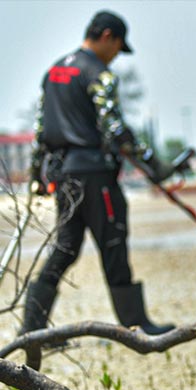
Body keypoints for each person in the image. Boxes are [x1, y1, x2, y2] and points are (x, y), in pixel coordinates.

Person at [21, 10, 175, 337]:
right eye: (118, 47)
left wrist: (37, 175)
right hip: (95, 176)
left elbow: (40, 130)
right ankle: (136, 326)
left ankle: (32, 329)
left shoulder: (54, 72)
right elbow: (114, 128)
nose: (117, 56)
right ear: (107, 36)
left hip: (63, 175)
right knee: (114, 242)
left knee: (65, 248)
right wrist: (152, 163)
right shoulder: (98, 74)